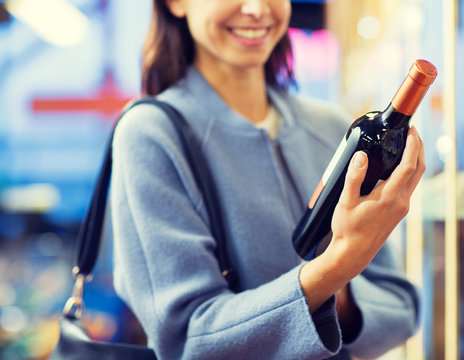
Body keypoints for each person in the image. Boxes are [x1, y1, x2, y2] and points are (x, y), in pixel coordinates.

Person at [110, 0, 425, 359]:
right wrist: (338, 265)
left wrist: (338, 290)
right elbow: (188, 341)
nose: (258, 9)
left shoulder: (335, 129)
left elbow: (402, 310)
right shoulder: (151, 134)